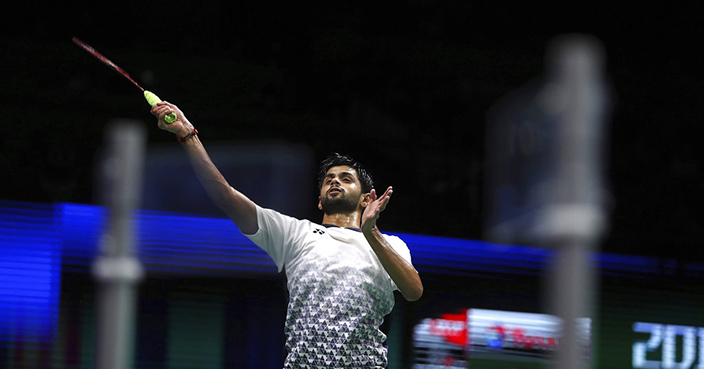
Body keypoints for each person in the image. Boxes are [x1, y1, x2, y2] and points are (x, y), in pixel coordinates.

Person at [151, 101, 423, 368]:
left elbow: (413, 291)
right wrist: (188, 134)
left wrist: (370, 231)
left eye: (346, 178)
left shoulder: (390, 245)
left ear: (366, 199)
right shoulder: (294, 233)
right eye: (329, 179)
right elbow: (225, 195)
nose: (335, 181)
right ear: (319, 201)